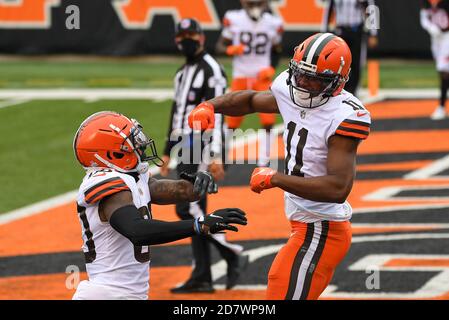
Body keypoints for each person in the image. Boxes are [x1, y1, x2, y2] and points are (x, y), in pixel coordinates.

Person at [188, 33, 371, 300]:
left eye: (315, 78)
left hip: (322, 228)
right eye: (300, 74)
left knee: (279, 288)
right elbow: (250, 100)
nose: (304, 83)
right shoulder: (290, 89)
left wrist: (276, 178)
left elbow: (337, 188)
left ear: (337, 82)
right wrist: (209, 106)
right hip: (305, 222)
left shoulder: (345, 115)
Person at [71, 111, 247, 300]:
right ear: (112, 153)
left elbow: (168, 189)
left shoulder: (131, 177)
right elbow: (137, 230)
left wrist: (195, 186)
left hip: (123, 295)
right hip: (108, 294)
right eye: (131, 143)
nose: (140, 145)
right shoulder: (107, 183)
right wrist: (198, 224)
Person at [159, 18, 248, 294]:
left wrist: (217, 153)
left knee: (188, 207)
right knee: (189, 206)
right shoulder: (182, 73)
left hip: (200, 141)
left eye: (191, 34)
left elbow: (219, 115)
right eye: (182, 35)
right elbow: (176, 113)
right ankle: (203, 275)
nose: (186, 39)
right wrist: (166, 151)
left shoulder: (212, 70)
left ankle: (232, 253)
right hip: (184, 144)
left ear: (201, 38)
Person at [215, 0, 283, 167]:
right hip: (241, 75)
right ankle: (224, 156)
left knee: (268, 120)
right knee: (231, 121)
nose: (254, 5)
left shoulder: (273, 22)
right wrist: (229, 49)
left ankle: (264, 160)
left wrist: (271, 67)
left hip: (262, 78)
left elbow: (277, 50)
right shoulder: (234, 18)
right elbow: (219, 46)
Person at [322, 0, 379, 95]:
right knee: (339, 62)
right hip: (341, 31)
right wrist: (324, 33)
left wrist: (373, 33)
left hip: (356, 31)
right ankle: (339, 90)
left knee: (356, 62)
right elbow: (328, 11)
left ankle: (354, 91)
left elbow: (370, 10)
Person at [420, 0, 449, 120]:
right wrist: (431, 27)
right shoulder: (425, 3)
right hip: (435, 40)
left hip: (447, 37)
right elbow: (423, 18)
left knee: (444, 70)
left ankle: (441, 106)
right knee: (442, 70)